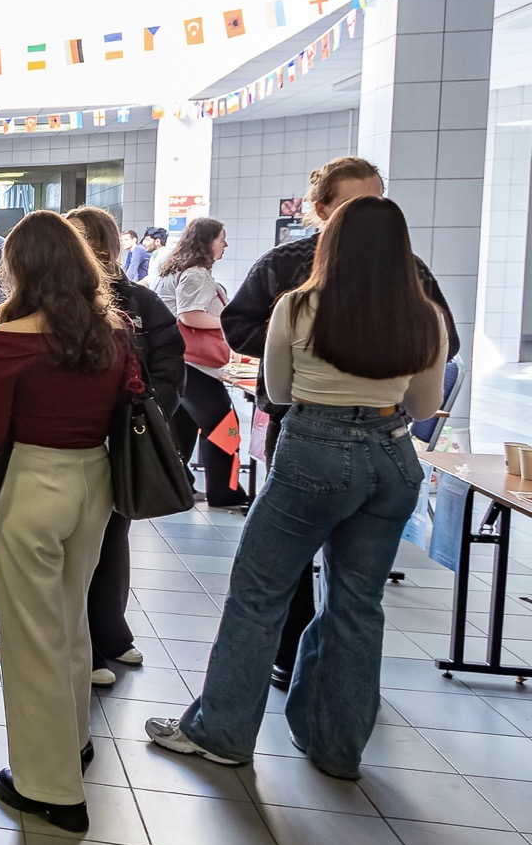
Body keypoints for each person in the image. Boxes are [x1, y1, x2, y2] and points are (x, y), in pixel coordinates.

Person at [149, 197, 447, 780]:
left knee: (259, 593)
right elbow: (425, 405)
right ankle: (337, 748)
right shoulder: (425, 317)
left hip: (313, 448)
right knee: (358, 604)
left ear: (330, 245)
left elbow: (278, 392)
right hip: (392, 455)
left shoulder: (298, 307)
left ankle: (223, 732)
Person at [220, 155, 459, 691]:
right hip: (344, 437)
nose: (364, 215)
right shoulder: (287, 267)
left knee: (277, 587)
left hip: (332, 437)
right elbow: (240, 327)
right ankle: (324, 709)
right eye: (354, 204)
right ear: (321, 210)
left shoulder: (399, 279)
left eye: (375, 201)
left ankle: (250, 720)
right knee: (345, 595)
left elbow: (441, 355)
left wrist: (318, 357)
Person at [0, 210, 130, 834]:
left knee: (30, 638)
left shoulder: (12, 337)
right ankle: (75, 742)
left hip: (33, 482)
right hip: (94, 480)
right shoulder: (110, 333)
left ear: (23, 269)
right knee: (70, 623)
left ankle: (50, 786)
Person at [66, 207, 185, 685]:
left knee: (114, 533)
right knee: (83, 541)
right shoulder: (61, 301)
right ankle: (87, 643)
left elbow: (170, 362)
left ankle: (110, 633)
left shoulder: (139, 300)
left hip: (126, 436)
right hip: (79, 440)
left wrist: (149, 414)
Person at [152, 218, 249, 509]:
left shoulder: (178, 271)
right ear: (207, 242)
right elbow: (190, 316)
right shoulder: (194, 274)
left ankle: (179, 486)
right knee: (223, 425)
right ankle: (224, 491)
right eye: (222, 238)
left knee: (180, 429)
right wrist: (230, 324)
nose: (225, 245)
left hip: (179, 363)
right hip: (193, 365)